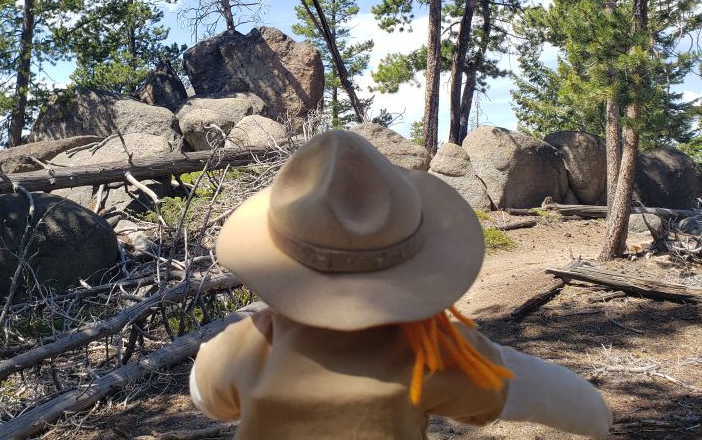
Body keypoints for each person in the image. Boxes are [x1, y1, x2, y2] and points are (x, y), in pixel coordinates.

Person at [190, 130, 612, 439]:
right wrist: (597, 413)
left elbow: (207, 394)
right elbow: (539, 391)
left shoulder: (250, 345)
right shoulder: (430, 348)